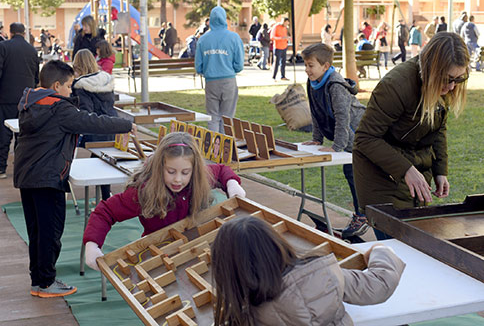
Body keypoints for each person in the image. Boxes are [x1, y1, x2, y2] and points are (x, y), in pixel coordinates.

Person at [13, 60, 135, 298]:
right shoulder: (59, 108)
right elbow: (92, 122)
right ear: (57, 85)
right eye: (69, 86)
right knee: (51, 231)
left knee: (37, 231)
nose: (71, 91)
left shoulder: (30, 102)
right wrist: (127, 125)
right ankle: (46, 282)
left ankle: (39, 279)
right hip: (48, 177)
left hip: (27, 176)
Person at [353, 32, 469, 239]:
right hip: (380, 178)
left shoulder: (443, 86)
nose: (452, 87)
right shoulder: (395, 86)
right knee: (396, 252)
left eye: (459, 79)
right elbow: (365, 138)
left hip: (413, 177)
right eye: (448, 79)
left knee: (415, 250)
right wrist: (406, 169)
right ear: (432, 69)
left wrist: (440, 170)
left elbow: (437, 128)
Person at [83, 132, 246, 270]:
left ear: (194, 171)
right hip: (157, 254)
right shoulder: (144, 192)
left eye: (185, 172)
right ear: (160, 167)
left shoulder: (198, 179)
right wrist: (92, 244)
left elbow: (222, 170)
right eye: (171, 171)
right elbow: (105, 212)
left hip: (195, 249)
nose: (177, 179)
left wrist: (232, 183)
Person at [211, 216, 406, 326]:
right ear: (276, 244)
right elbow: (379, 285)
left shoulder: (249, 315)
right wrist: (381, 251)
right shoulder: (323, 274)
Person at [301, 43, 368, 239]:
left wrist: (336, 147)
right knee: (351, 173)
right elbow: (315, 111)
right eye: (305, 65)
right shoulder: (313, 82)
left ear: (325, 65)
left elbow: (342, 117)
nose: (307, 70)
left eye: (310, 65)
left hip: (357, 133)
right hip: (345, 134)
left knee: (353, 172)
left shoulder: (335, 85)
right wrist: (316, 139)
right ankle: (361, 212)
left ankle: (362, 215)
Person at [0, 22, 40, 179]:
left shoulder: (3, 47)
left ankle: (0, 169)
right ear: (24, 33)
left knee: (2, 134)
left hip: (7, 98)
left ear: (10, 32)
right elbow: (36, 74)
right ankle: (22, 168)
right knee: (23, 135)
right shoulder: (31, 49)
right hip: (27, 99)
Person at [72, 48, 116, 200]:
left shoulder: (80, 85)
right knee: (101, 160)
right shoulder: (107, 79)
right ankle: (106, 195)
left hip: (93, 130)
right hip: (111, 127)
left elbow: (86, 113)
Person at [195, 6, 244, 133]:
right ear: (224, 19)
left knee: (212, 117)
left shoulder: (203, 39)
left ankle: (214, 147)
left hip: (211, 82)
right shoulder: (234, 37)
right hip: (228, 80)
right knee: (227, 118)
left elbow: (198, 66)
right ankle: (226, 147)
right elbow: (239, 65)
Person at [271, 17, 290, 81]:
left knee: (283, 63)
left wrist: (287, 38)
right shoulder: (276, 27)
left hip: (284, 47)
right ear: (283, 21)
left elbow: (285, 36)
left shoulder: (285, 28)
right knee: (276, 63)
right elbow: (272, 37)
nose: (286, 25)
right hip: (277, 47)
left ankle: (283, 76)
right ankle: (274, 77)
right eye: (286, 23)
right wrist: (281, 38)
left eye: (287, 24)